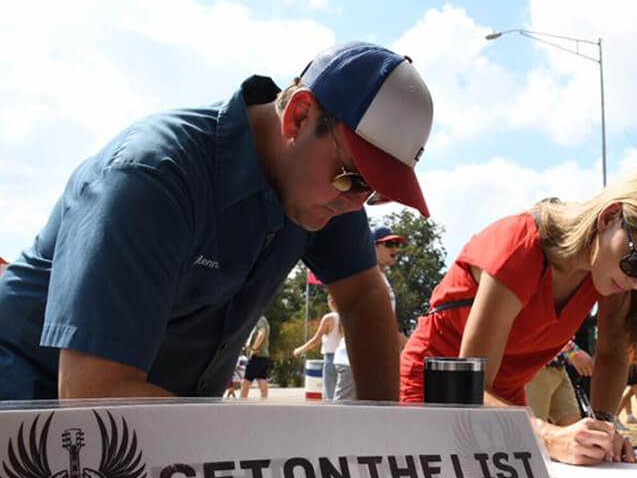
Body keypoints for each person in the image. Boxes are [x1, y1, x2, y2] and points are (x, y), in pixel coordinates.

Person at [0, 42, 433, 400]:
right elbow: (94, 394)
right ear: (299, 116)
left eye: (375, 194)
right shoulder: (150, 177)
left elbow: (364, 295)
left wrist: (382, 437)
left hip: (144, 422)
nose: (357, 205)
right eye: (354, 179)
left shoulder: (323, 183)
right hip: (26, 405)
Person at [401, 164, 637, 466]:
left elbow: (611, 353)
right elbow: (465, 391)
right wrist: (548, 435)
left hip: (507, 406)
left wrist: (603, 430)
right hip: (435, 395)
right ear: (610, 217)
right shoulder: (520, 247)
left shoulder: (612, 272)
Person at [334, 224, 405, 400]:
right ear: (372, 246)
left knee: (366, 419)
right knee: (340, 420)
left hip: (370, 362)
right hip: (352, 361)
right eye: (389, 244)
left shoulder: (381, 279)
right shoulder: (363, 278)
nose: (395, 248)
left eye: (396, 244)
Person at [526, 339, 593, 426]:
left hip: (558, 367)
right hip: (535, 367)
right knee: (532, 427)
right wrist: (571, 351)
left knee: (573, 425)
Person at [293, 294, 342, 400]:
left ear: (331, 302)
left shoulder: (329, 318)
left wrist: (300, 350)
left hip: (331, 359)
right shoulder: (348, 316)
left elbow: (316, 340)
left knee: (330, 396)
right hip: (346, 360)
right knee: (342, 396)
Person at [240, 315, 271, 399]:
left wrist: (253, 349)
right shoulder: (264, 320)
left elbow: (261, 333)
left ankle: (241, 404)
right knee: (262, 379)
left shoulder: (258, 319)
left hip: (256, 356)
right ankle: (264, 403)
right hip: (264, 356)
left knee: (245, 382)